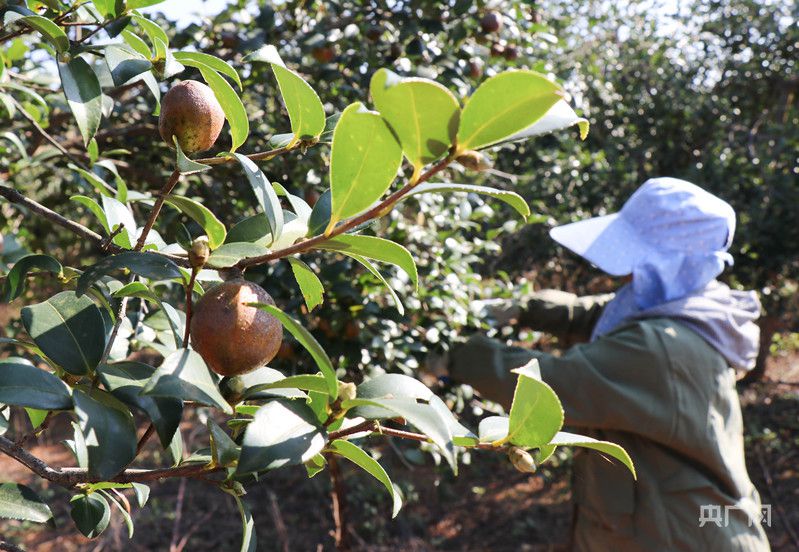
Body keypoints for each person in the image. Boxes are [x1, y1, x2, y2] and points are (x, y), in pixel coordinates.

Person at [441, 178, 770, 551]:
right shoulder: (699, 306)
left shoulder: (658, 349)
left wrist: (455, 353)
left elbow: (552, 386)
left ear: (665, 265)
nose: (626, 275)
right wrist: (527, 308)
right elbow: (608, 312)